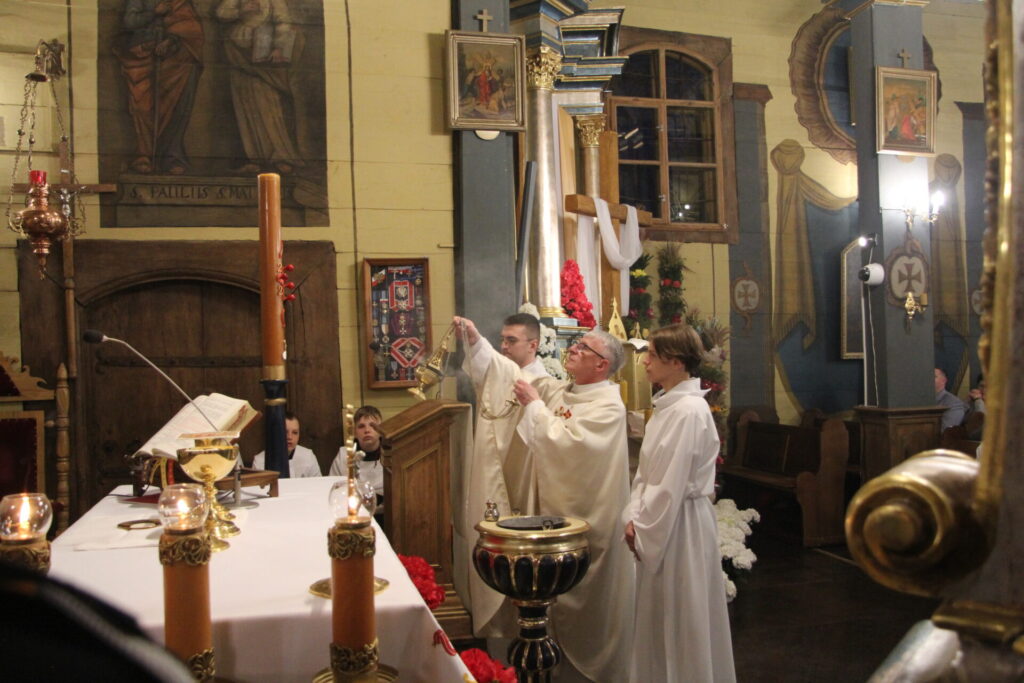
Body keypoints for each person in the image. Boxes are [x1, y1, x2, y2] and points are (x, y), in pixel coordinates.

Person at [455, 315, 634, 683]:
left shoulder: (607, 406)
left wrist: (535, 407)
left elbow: (571, 447)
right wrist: (475, 342)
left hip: (589, 532)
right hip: (556, 529)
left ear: (601, 365)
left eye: (583, 348)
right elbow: (512, 376)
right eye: (577, 344)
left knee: (584, 616)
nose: (574, 349)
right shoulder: (563, 390)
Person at [623, 324, 735, 683]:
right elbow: (647, 474)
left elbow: (671, 482)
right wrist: (633, 515)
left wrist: (643, 526)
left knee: (683, 612)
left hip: (681, 524)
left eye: (652, 355)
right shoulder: (669, 406)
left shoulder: (688, 411)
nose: (645, 362)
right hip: (662, 518)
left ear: (675, 362)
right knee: (661, 611)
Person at [113, 0, 204, 175]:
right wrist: (154, 13)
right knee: (142, 107)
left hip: (172, 63)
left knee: (174, 106)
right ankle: (144, 155)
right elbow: (129, 21)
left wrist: (171, 40)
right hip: (142, 56)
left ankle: (171, 157)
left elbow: (190, 26)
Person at [215, 0, 305, 175]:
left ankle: (281, 156)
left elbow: (283, 21)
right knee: (245, 105)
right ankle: (255, 158)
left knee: (270, 105)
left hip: (265, 49)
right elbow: (221, 13)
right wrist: (241, 10)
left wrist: (278, 48)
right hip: (239, 49)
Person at [329, 405, 387, 516]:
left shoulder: (391, 454)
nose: (367, 430)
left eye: (372, 425)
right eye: (361, 426)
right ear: (355, 432)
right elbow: (334, 486)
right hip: (351, 511)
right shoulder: (344, 455)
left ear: (380, 430)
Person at [252, 411, 321, 477]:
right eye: (285, 432)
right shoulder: (259, 462)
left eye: (295, 432)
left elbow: (319, 484)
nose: (290, 437)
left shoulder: (308, 456)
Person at [498, 312, 548, 377]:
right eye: (502, 340)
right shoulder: (499, 374)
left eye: (512, 340)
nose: (503, 346)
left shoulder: (541, 381)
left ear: (532, 346)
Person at [935, 367, 968, 431]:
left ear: (944, 380)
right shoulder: (920, 400)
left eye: (934, 376)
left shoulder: (954, 403)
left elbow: (945, 430)